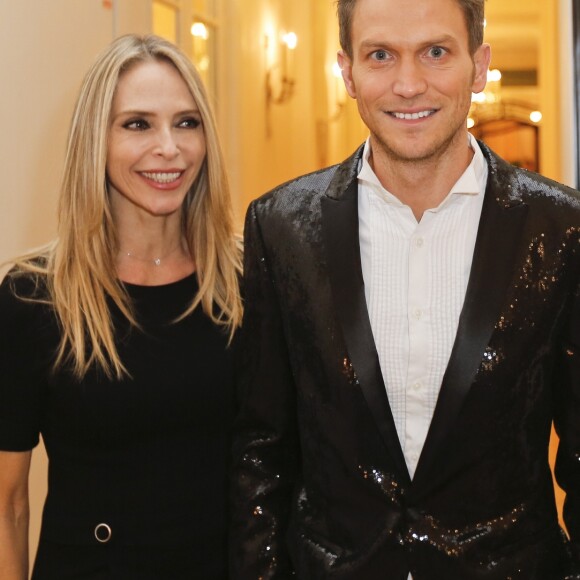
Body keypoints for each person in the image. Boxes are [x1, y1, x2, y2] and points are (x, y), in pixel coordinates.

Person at [230, 0, 580, 577]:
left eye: (436, 52)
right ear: (348, 72)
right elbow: (260, 453)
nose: (408, 83)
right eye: (381, 55)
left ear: (479, 65)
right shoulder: (280, 227)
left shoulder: (561, 230)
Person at [0, 34, 242, 580]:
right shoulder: (32, 299)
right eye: (138, 124)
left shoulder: (248, 285)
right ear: (96, 141)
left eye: (187, 122)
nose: (170, 148)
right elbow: (7, 505)